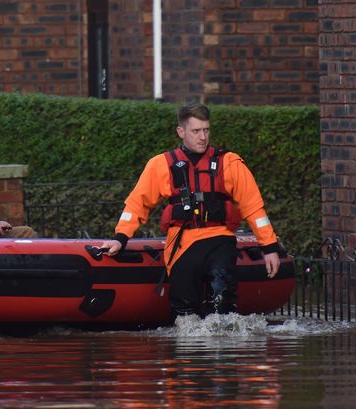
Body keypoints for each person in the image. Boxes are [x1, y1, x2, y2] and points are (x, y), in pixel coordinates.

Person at [99, 102, 281, 320]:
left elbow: (254, 209)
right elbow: (137, 205)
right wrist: (120, 238)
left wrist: (269, 247)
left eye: (206, 130)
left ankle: (222, 346)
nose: (203, 137)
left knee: (222, 306)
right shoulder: (161, 165)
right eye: (196, 131)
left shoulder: (229, 162)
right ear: (181, 132)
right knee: (184, 314)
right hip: (182, 244)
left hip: (219, 240)